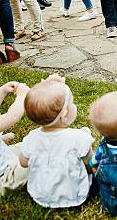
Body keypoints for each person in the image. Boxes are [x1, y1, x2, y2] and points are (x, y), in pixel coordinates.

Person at [20, 74, 94, 208]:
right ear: (64, 115)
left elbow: (23, 163)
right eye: (72, 103)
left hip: (39, 194)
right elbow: (91, 163)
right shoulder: (78, 138)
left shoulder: (32, 137)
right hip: (74, 194)